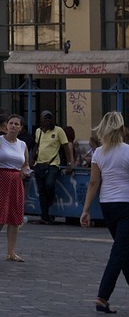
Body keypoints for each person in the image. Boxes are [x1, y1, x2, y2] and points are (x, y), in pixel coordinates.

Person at [82, 111, 129, 313]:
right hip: (126, 204)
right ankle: (102, 296)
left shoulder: (98, 153)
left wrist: (86, 210)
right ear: (121, 128)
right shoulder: (127, 151)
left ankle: (103, 297)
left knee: (123, 251)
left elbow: (93, 183)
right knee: (119, 253)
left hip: (107, 205)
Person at [0, 113, 32, 262]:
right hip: (1, 178)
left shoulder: (22, 145)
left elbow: (25, 164)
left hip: (17, 180)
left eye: (17, 124)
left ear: (21, 128)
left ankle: (11, 252)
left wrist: (26, 171)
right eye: (11, 123)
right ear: (6, 126)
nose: (13, 126)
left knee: (15, 217)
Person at [34, 109, 74, 224]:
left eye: (50, 118)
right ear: (41, 120)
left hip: (53, 163)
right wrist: (32, 159)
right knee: (41, 191)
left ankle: (50, 200)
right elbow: (37, 146)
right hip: (40, 164)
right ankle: (45, 216)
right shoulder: (38, 131)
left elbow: (66, 147)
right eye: (45, 118)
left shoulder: (58, 131)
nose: (48, 121)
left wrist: (69, 163)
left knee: (49, 184)